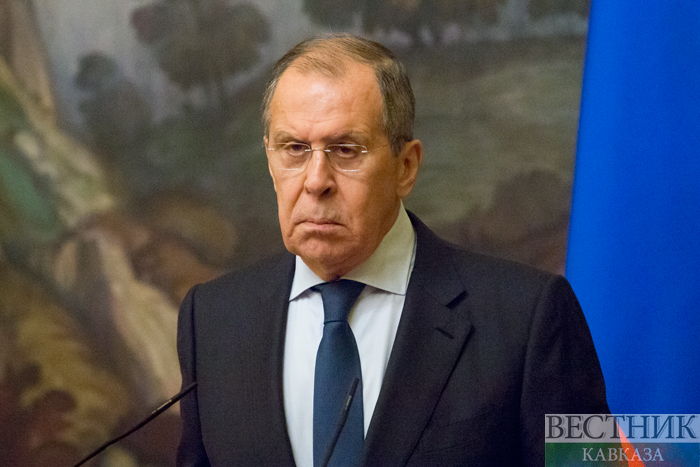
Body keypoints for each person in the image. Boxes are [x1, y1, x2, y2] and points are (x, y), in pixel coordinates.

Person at [176, 34, 609, 467]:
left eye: (346, 150)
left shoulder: (530, 317)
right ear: (271, 162)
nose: (316, 181)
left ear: (406, 167)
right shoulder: (211, 320)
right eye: (294, 149)